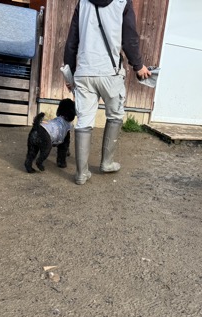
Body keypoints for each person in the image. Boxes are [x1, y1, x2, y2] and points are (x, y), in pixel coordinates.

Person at [63, 0, 151, 185]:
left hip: (85, 73)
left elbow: (71, 42)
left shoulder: (83, 3)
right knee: (115, 116)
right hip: (110, 73)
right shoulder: (122, 2)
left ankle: (81, 173)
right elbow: (129, 38)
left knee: (84, 121)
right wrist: (138, 65)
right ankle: (107, 163)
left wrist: (70, 75)